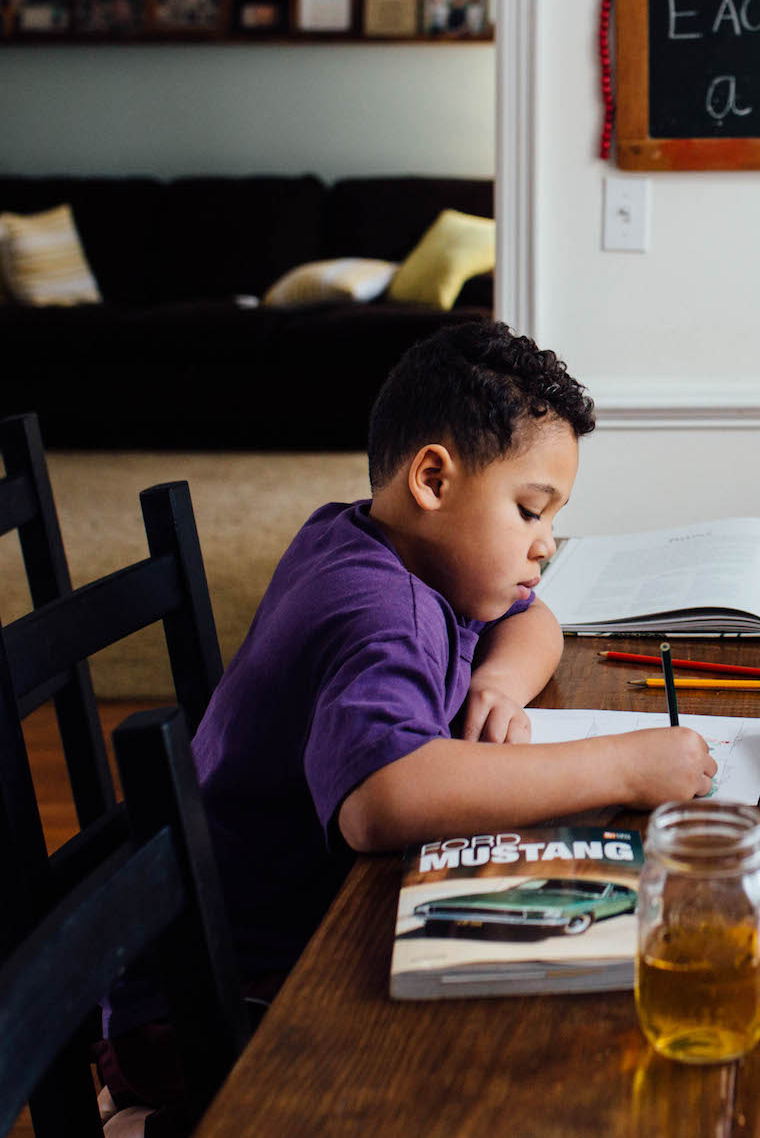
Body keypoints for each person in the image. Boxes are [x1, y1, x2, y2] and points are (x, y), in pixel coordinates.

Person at [98, 320, 713, 1130]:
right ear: (433, 478)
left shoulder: (379, 540)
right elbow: (384, 796)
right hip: (209, 1004)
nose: (547, 543)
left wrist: (497, 676)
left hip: (231, 948)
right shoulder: (377, 610)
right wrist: (626, 767)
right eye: (531, 511)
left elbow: (538, 618)